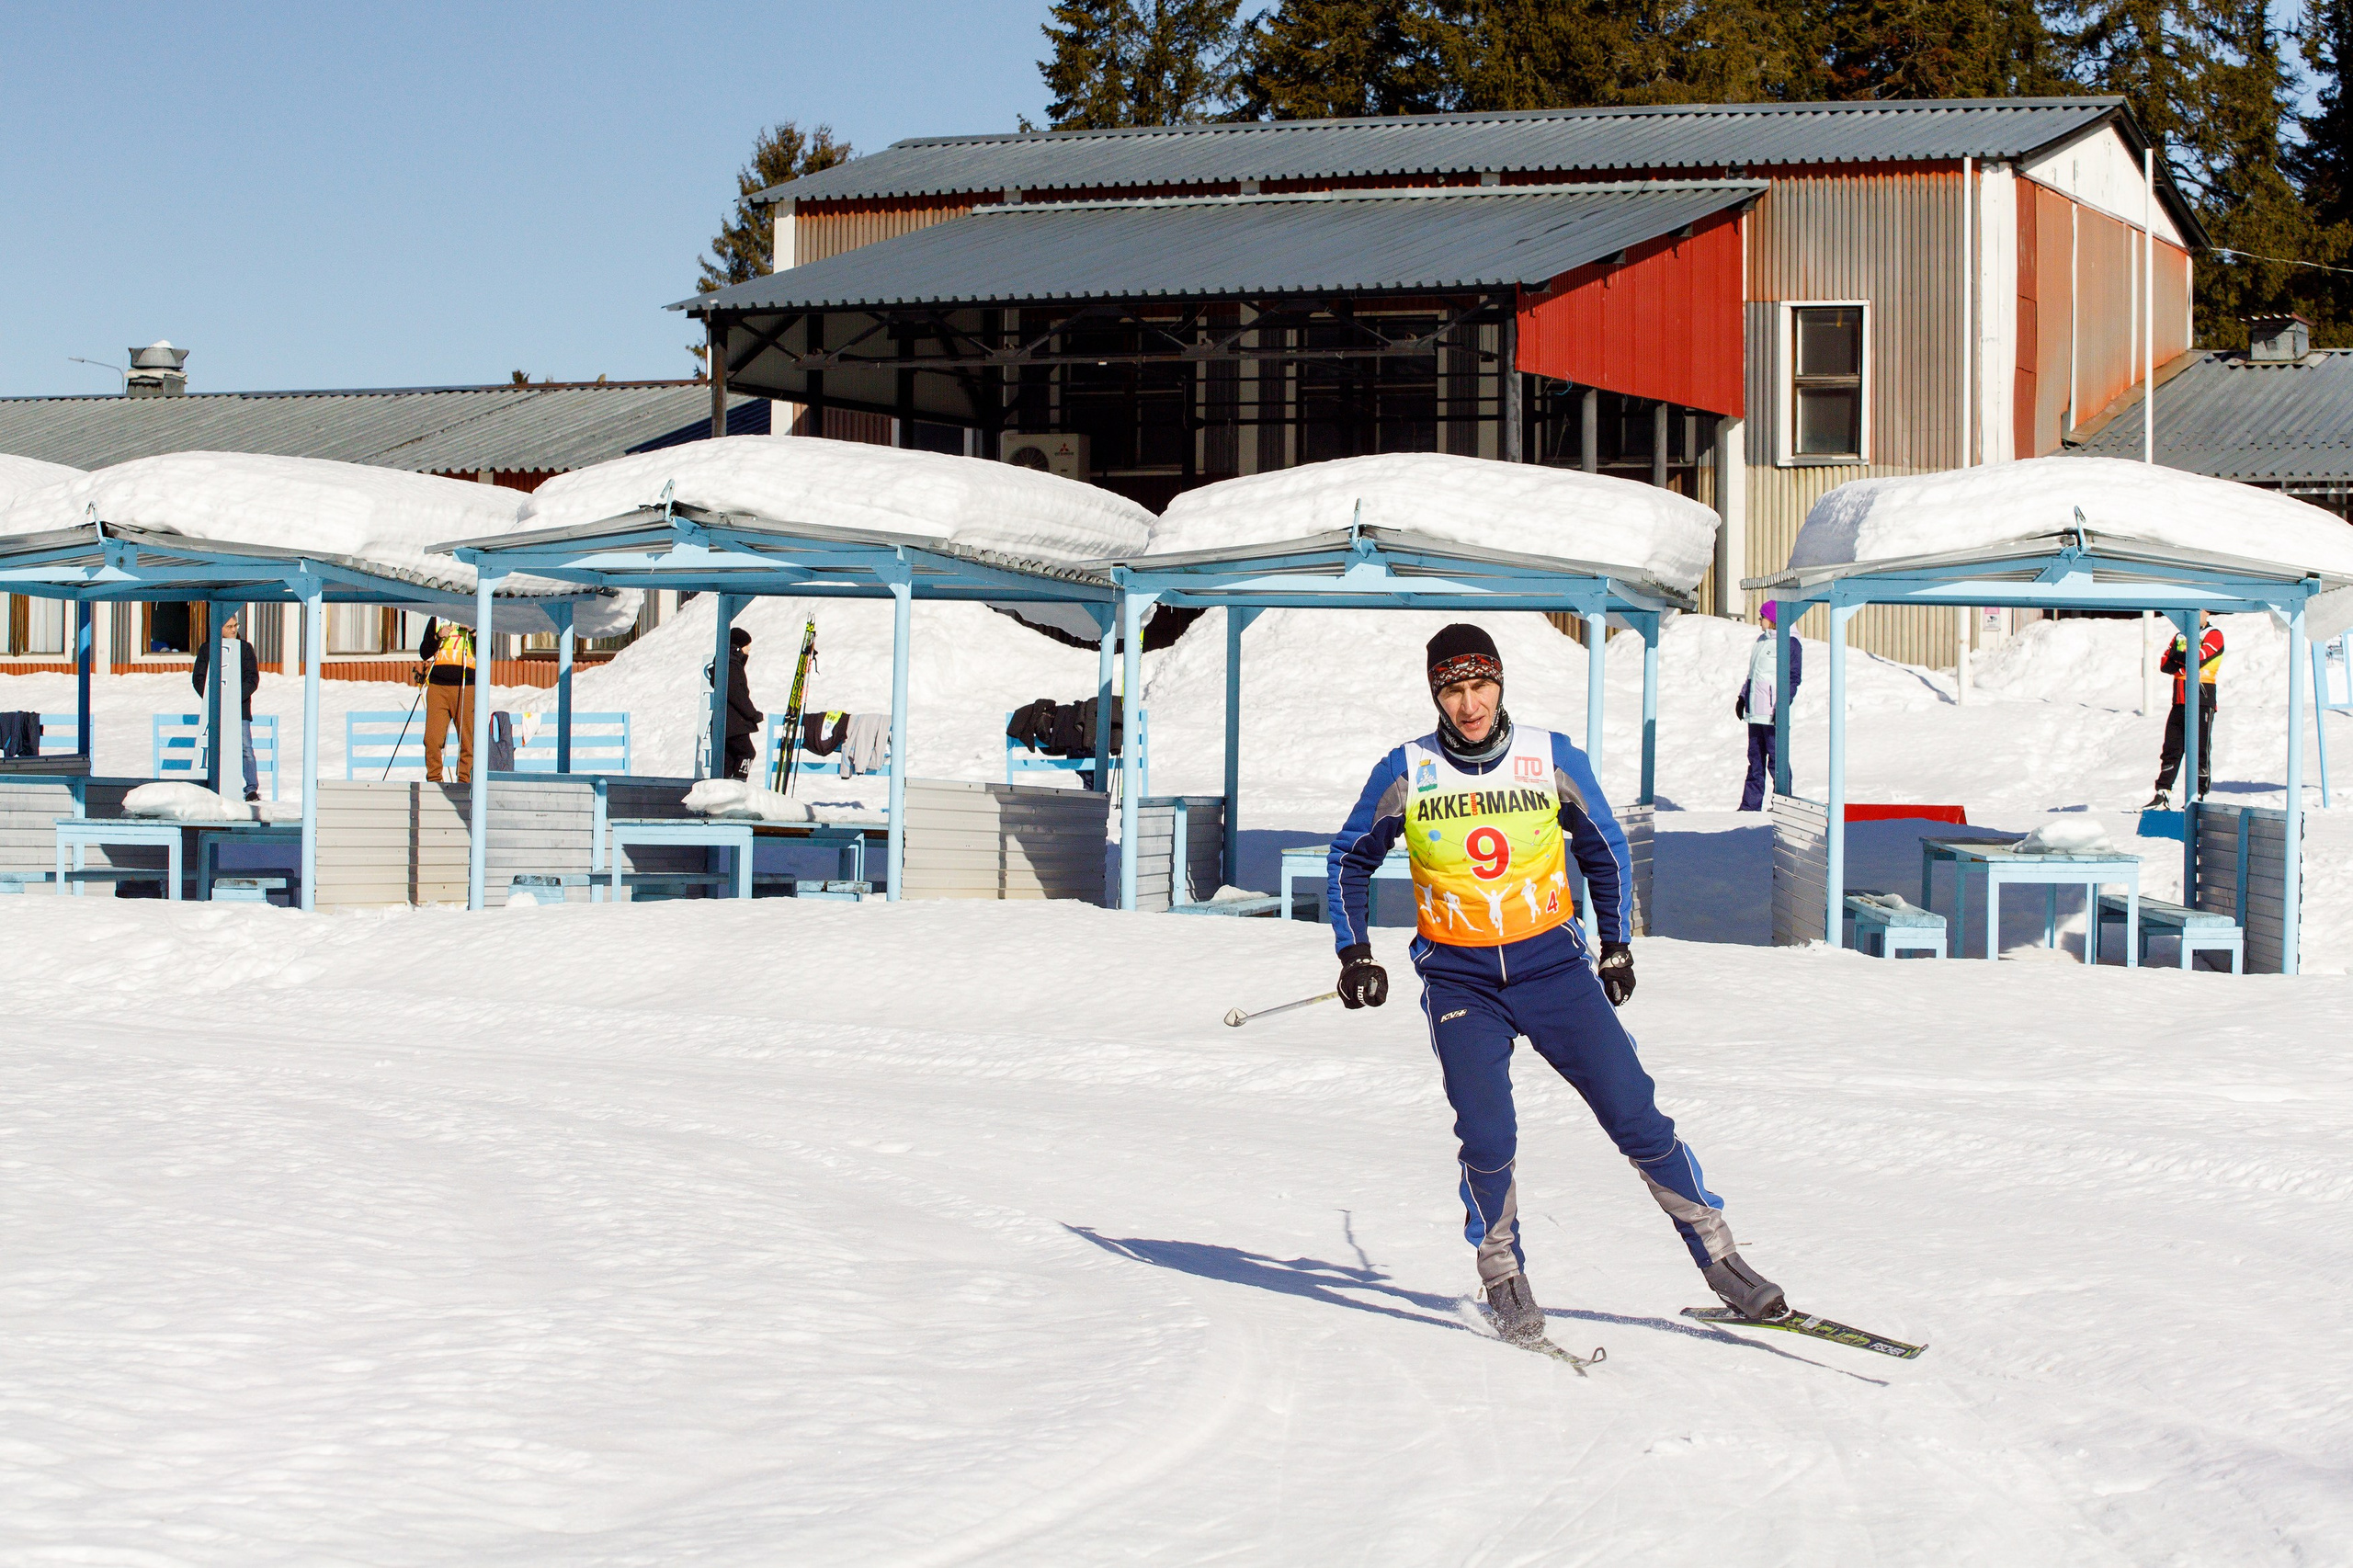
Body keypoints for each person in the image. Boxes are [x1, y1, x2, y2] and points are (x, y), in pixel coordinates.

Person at [1327, 624, 1785, 1346]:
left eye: (1480, 686)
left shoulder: (1550, 758)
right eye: (1452, 689)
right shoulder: (1407, 770)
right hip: (1460, 984)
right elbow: (1349, 859)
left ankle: (1721, 1258)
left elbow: (1604, 849)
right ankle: (1502, 1271)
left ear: (1500, 684)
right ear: (1436, 695)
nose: (1469, 705)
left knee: (1635, 1113)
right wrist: (1354, 954)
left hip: (1553, 970)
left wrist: (1616, 946)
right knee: (1486, 1134)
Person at [2147, 612, 2222, 808]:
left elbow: (2198, 658)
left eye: (2201, 609)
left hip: (2201, 699)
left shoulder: (2214, 634)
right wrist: (2183, 661)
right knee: (2171, 748)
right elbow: (2165, 664)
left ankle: (2198, 795)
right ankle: (2162, 793)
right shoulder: (2181, 635)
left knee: (2199, 750)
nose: (2196, 613)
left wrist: (2179, 660)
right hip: (2179, 700)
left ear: (2208, 612)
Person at [1734, 600, 1802, 811]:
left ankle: (1783, 804)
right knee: (1755, 761)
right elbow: (1753, 675)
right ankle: (1749, 806)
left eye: (1762, 616)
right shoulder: (1760, 641)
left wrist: (1782, 705)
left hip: (1773, 714)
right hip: (1756, 713)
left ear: (1773, 619)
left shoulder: (1790, 643)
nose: (1759, 620)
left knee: (1777, 760)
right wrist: (1743, 698)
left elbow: (1793, 678)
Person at [190, 612, 262, 801]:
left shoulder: (245, 649)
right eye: (229, 626)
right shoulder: (207, 649)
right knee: (213, 746)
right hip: (214, 710)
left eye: (235, 626)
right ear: (219, 628)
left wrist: (233, 697)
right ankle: (213, 786)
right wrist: (213, 699)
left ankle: (251, 788)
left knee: (245, 748)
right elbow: (199, 678)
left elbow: (252, 679)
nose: (233, 630)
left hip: (240, 709)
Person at [416, 616, 476, 784]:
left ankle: (465, 780)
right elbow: (424, 652)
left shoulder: (476, 614)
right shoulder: (437, 618)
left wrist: (473, 631)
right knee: (432, 738)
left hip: (466, 684)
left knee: (467, 737)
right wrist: (437, 636)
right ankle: (434, 779)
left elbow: (488, 652)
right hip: (438, 684)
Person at [723, 627, 762, 781]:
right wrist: (752, 714)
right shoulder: (731, 666)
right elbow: (738, 696)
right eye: (746, 645)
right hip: (734, 724)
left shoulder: (731, 664)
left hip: (731, 724)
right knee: (747, 753)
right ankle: (739, 785)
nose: (749, 648)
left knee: (729, 760)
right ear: (738, 647)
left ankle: (725, 789)